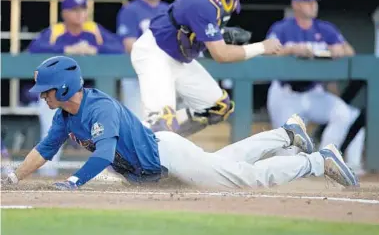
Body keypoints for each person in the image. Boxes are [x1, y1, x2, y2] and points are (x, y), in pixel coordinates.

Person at [1, 56, 359, 190]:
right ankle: (286, 134)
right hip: (159, 167)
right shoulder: (65, 115)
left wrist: (75, 182)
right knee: (230, 163)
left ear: (64, 87)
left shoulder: (99, 108)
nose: (43, 95)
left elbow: (103, 153)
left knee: (244, 179)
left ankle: (315, 160)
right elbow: (44, 150)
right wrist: (15, 175)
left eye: (47, 90)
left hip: (168, 159)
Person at [130, 0, 282, 137]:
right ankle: (130, 155)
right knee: (162, 125)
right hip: (155, 53)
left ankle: (165, 141)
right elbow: (221, 55)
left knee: (217, 107)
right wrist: (262, 47)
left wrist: (220, 35)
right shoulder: (201, 0)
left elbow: (204, 40)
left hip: (180, 57)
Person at [266, 0, 365, 173]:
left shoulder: (325, 29)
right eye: (307, 1)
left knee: (342, 113)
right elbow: (268, 52)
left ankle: (323, 161)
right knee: (287, 154)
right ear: (295, 4)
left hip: (314, 92)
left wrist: (340, 50)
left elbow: (350, 51)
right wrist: (291, 49)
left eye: (314, 1)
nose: (312, 5)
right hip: (286, 94)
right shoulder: (282, 28)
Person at [26, 0, 124, 176]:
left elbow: (119, 48)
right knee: (51, 133)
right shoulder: (56, 31)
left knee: (104, 130)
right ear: (65, 13)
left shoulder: (93, 30)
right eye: (74, 10)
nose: (80, 14)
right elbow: (33, 49)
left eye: (83, 10)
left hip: (87, 94)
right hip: (55, 93)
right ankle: (48, 173)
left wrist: (95, 49)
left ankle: (108, 172)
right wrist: (66, 50)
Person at [117, 0, 169, 118]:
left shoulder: (168, 10)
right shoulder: (131, 10)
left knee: (164, 121)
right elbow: (129, 45)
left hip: (162, 72)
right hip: (135, 73)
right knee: (136, 119)